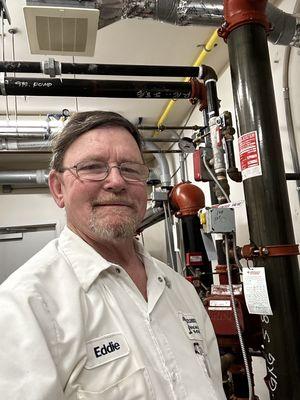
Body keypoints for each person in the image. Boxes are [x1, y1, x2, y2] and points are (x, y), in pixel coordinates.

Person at [0, 111, 226, 400]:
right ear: (58, 188)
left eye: (131, 169)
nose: (117, 181)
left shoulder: (179, 290)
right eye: (93, 167)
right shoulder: (27, 305)